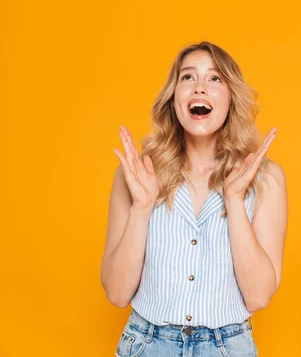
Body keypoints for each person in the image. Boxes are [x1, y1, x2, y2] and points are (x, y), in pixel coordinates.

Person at [101, 41, 288, 357]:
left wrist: (234, 199)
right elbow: (117, 294)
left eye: (215, 79)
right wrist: (142, 207)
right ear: (174, 98)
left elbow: (258, 297)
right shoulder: (136, 174)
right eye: (188, 77)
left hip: (228, 347)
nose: (200, 87)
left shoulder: (266, 178)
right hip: (147, 344)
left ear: (231, 98)